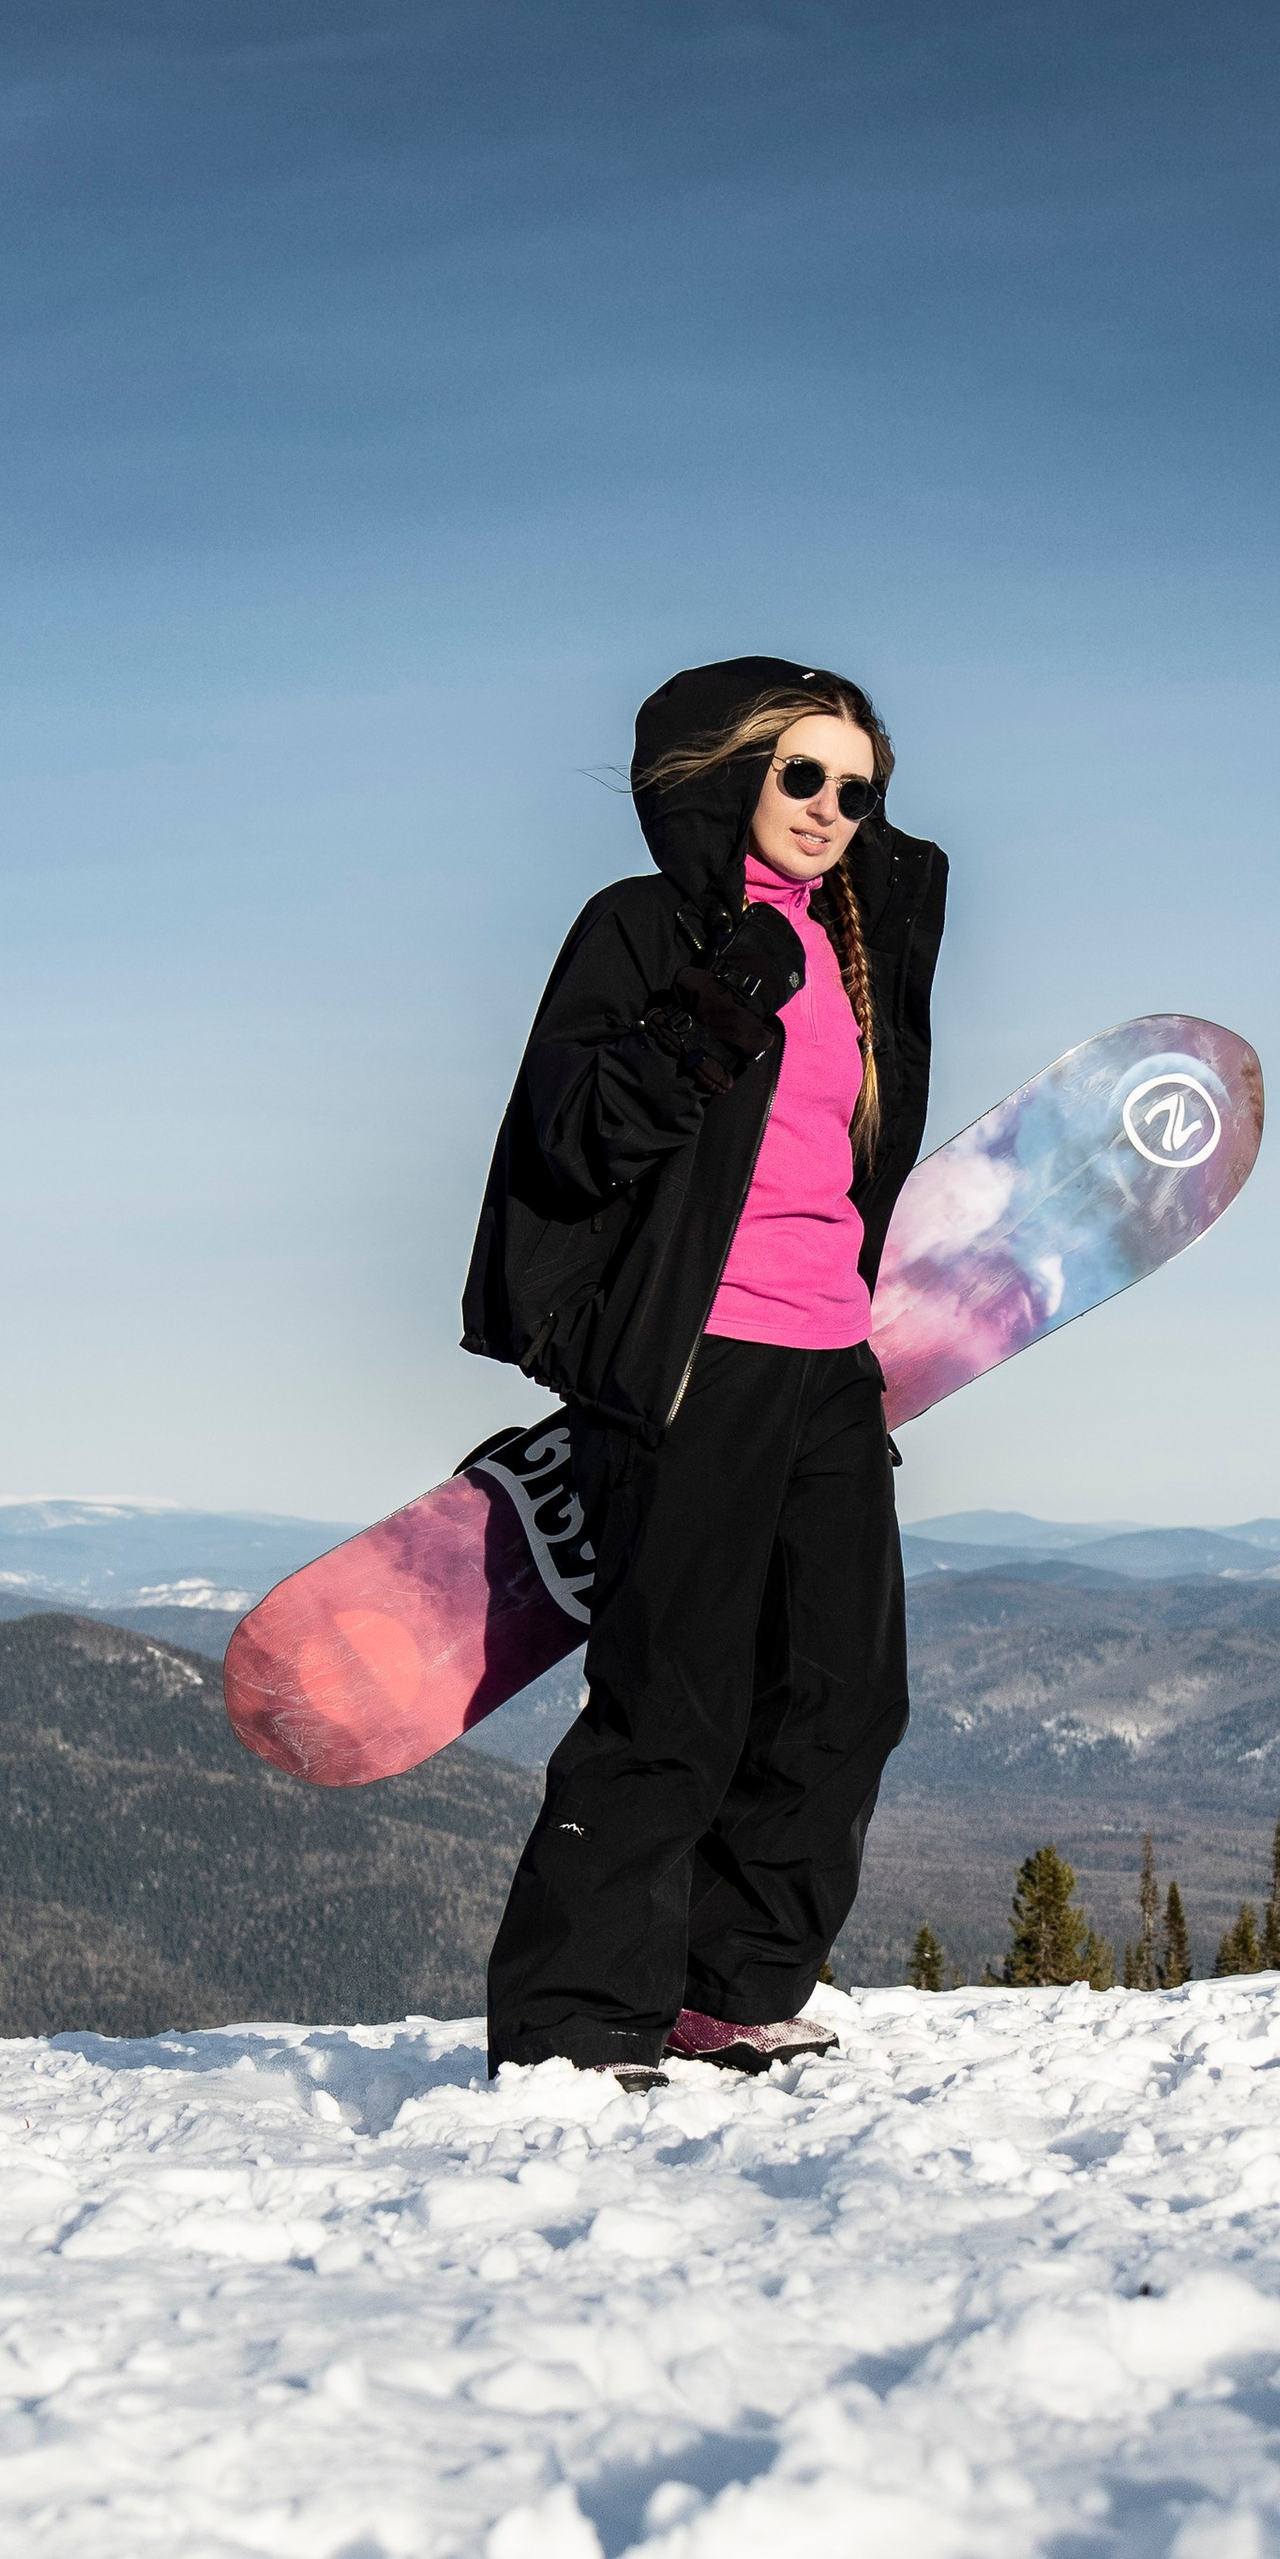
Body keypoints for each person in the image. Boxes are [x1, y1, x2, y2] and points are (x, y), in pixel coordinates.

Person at [462, 656, 948, 2083]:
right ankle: (572, 2025)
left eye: (858, 790)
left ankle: (730, 1990)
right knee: (674, 1703)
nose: (831, 809)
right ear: (728, 774)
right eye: (803, 775)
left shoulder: (856, 950)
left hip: (824, 1360)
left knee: (846, 1696)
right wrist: (709, 1006)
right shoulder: (642, 927)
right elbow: (572, 1136)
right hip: (696, 1360)